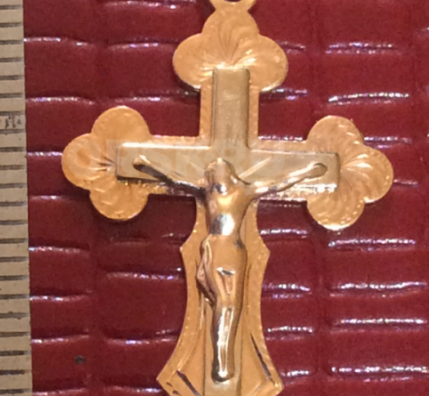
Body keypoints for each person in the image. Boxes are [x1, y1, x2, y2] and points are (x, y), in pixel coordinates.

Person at [134, 155, 325, 383]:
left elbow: (277, 183)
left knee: (234, 306)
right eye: (213, 172)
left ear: (230, 174)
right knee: (223, 302)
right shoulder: (207, 192)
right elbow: (175, 179)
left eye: (220, 170)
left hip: (236, 252)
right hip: (215, 248)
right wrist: (149, 166)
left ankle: (227, 360)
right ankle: (219, 358)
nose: (216, 175)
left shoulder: (243, 192)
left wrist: (305, 173)